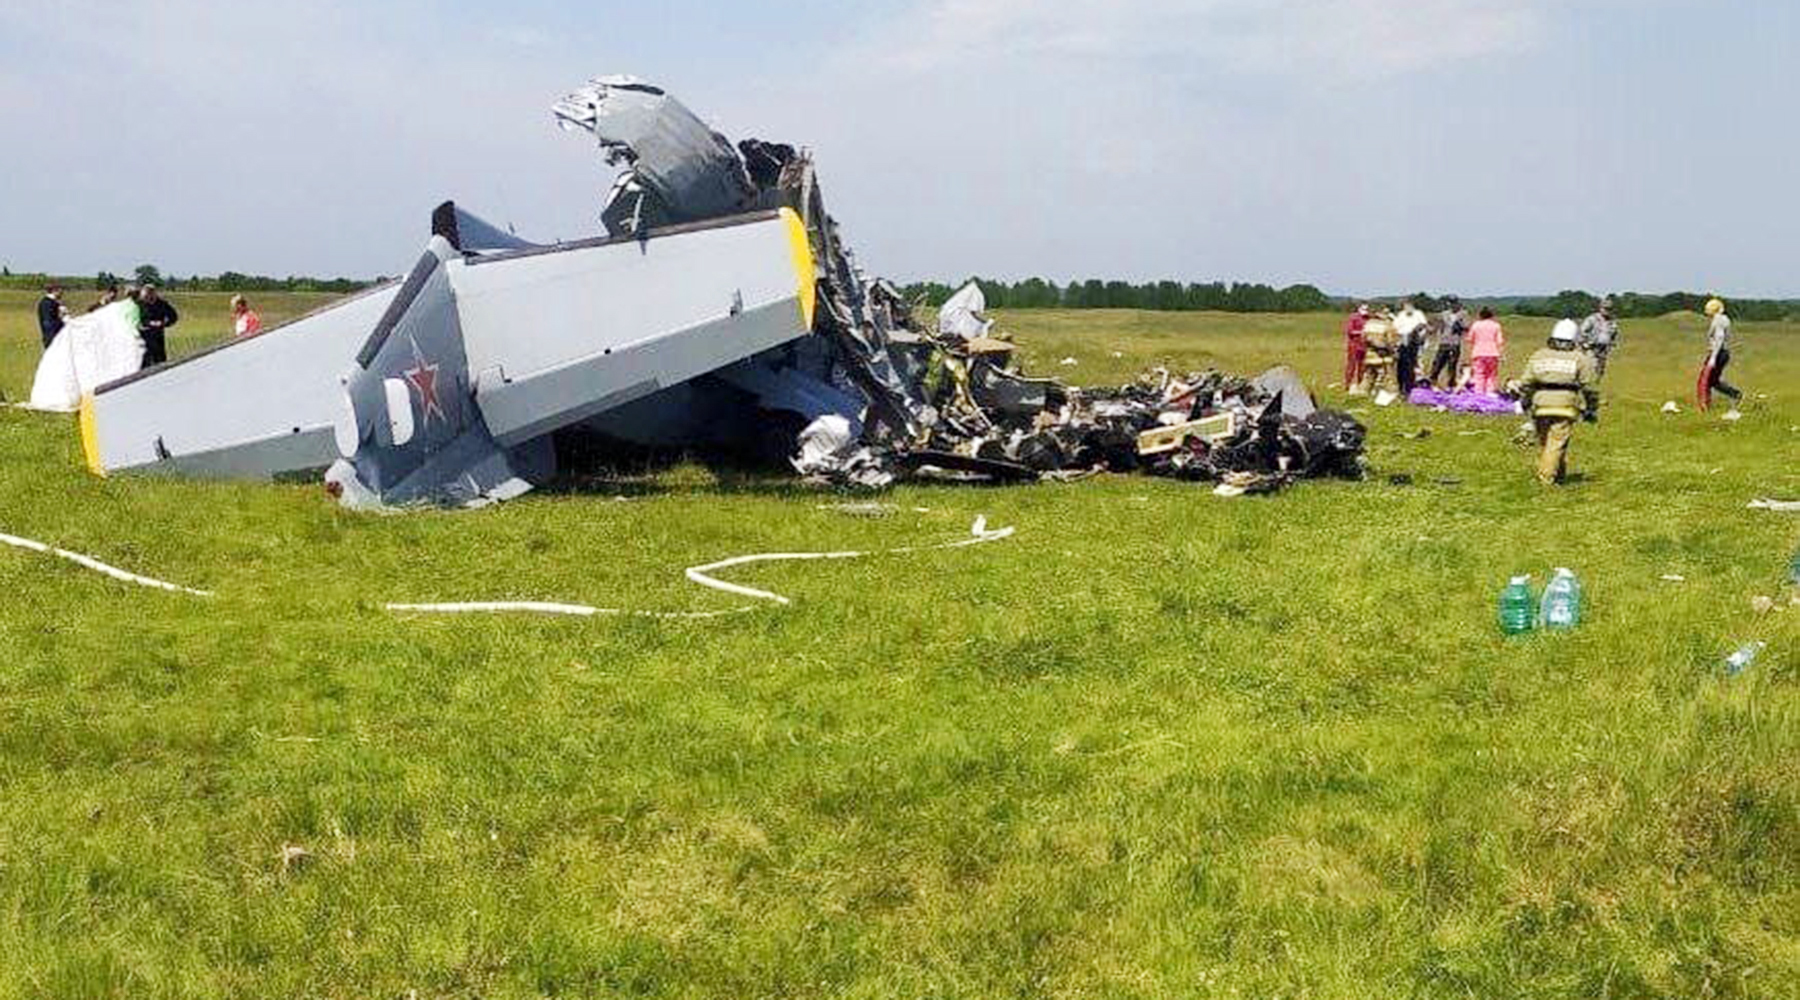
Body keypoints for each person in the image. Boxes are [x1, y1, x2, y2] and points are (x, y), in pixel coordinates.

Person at [1517, 319, 1600, 485]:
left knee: (1548, 443)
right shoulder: (1579, 358)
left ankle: (1559, 474)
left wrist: (1525, 402)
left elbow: (1526, 383)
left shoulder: (1538, 356)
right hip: (1565, 406)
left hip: (1540, 406)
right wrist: (1591, 409)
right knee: (1556, 443)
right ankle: (1546, 479)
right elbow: (1590, 387)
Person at [1698, 297, 1743, 420]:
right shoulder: (1724, 319)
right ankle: (1735, 394)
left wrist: (1713, 357)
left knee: (1704, 381)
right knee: (1713, 381)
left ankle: (1704, 407)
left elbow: (1719, 338)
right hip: (1723, 353)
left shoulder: (1718, 320)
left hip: (1718, 353)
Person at [1430, 296, 1469, 387]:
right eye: (1450, 303)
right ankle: (1433, 381)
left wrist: (1460, 324)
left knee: (1452, 364)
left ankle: (1451, 384)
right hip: (1444, 342)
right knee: (1438, 363)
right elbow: (1439, 327)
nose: (1452, 305)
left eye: (1454, 302)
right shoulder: (1444, 314)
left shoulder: (1463, 314)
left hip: (1455, 343)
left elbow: (1467, 327)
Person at [137, 283, 179, 366]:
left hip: (158, 336)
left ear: (154, 294)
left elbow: (173, 317)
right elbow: (135, 319)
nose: (147, 298)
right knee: (143, 362)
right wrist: (148, 323)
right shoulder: (139, 305)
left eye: (150, 295)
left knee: (160, 362)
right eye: (145, 296)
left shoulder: (162, 304)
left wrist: (164, 324)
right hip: (143, 337)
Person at [1466, 306, 1506, 394]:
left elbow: (1470, 339)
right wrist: (1502, 354)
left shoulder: (1476, 325)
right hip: (1493, 353)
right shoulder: (1496, 326)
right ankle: (1489, 393)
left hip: (1478, 353)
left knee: (1479, 375)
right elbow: (1499, 342)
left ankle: (1479, 393)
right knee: (1491, 375)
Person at [1392, 300, 1429, 395]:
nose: (1407, 309)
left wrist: (1415, 331)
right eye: (1405, 307)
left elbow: (1423, 325)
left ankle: (1412, 386)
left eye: (1409, 306)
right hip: (1402, 342)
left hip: (1415, 343)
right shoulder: (1401, 315)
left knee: (1414, 365)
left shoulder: (1418, 314)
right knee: (1402, 366)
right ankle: (1401, 387)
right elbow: (1395, 327)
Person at [1579, 297, 1621, 377]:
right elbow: (1582, 331)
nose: (1607, 311)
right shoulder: (1592, 319)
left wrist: (1612, 346)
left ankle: (1596, 384)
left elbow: (1615, 335)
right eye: (1605, 308)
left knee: (1600, 370)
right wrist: (1585, 344)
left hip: (1604, 349)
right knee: (1590, 366)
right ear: (1600, 308)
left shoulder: (1612, 322)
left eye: (1609, 309)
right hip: (1591, 348)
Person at [1342, 303, 1369, 394]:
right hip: (1354, 345)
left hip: (1364, 346)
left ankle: (1360, 384)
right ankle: (1347, 384)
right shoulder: (1353, 317)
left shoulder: (1368, 318)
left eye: (1366, 309)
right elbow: (1350, 331)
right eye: (1363, 308)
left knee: (1363, 367)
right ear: (1359, 309)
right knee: (1351, 366)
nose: (1365, 310)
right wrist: (1361, 332)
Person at [37, 282, 66, 349]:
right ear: (54, 290)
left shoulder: (55, 303)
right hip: (53, 338)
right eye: (60, 290)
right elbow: (48, 323)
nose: (62, 292)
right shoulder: (47, 303)